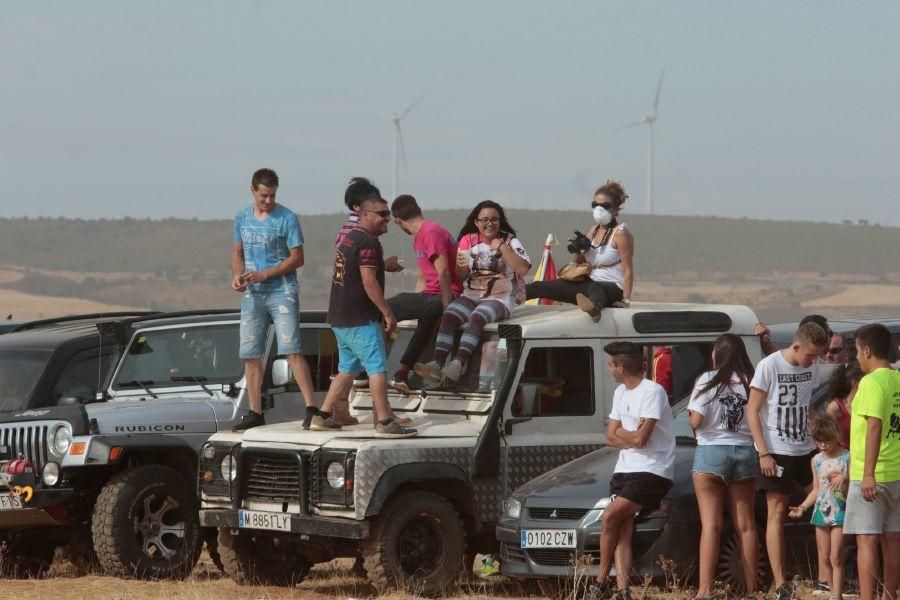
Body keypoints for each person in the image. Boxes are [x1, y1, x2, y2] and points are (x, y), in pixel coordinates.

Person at [308, 185, 417, 438]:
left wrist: (382, 265)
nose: (386, 218)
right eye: (381, 214)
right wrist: (387, 313)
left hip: (339, 316)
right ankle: (386, 422)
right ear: (364, 214)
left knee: (347, 369)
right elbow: (369, 282)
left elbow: (358, 272)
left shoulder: (350, 238)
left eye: (388, 214)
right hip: (359, 318)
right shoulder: (368, 240)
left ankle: (323, 416)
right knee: (377, 368)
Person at [586, 342, 675, 600]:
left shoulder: (653, 392)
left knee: (609, 518)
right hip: (624, 469)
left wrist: (625, 435)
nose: (610, 370)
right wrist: (629, 433)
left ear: (620, 366)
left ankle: (601, 581)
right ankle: (624, 589)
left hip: (651, 470)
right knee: (623, 527)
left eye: (611, 365)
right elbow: (610, 437)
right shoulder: (620, 393)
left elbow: (641, 441)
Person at [746, 321, 829, 600]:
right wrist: (763, 451)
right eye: (810, 355)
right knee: (776, 513)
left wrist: (820, 431)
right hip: (777, 448)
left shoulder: (811, 367)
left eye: (817, 356)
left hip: (806, 447)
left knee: (825, 504)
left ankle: (825, 576)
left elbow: (807, 403)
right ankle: (781, 583)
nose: (813, 360)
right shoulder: (769, 366)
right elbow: (753, 410)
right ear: (795, 346)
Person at [231, 168, 318, 431]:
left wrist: (266, 274)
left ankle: (312, 409)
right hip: (252, 293)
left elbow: (297, 257)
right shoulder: (242, 218)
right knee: (250, 353)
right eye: (263, 196)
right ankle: (255, 411)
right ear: (253, 191)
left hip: (282, 290)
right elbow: (238, 252)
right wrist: (237, 276)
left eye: (272, 196)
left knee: (291, 349)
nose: (268, 201)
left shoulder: (287, 218)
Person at [414, 200, 531, 383]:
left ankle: (458, 363)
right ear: (476, 222)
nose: (489, 224)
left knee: (477, 317)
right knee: (450, 314)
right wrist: (461, 266)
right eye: (484, 220)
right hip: (471, 295)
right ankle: (437, 364)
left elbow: (523, 269)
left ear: (500, 222)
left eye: (494, 219)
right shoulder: (468, 240)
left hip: (501, 298)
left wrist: (501, 247)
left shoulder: (510, 241)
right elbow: (461, 277)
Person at [687, 334, 758, 600]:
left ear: (718, 352)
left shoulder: (707, 379)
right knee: (747, 526)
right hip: (744, 451)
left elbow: (696, 421)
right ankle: (752, 590)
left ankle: (705, 590)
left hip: (711, 453)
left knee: (711, 525)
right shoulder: (751, 381)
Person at [843, 324, 900, 600]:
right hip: (896, 473)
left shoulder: (871, 382)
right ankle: (889, 596)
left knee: (866, 539)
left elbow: (875, 425)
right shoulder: (898, 379)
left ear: (867, 350)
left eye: (856, 352)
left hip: (872, 474)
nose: (856, 358)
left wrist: (867, 474)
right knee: (893, 540)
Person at [525, 181, 634, 321]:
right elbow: (578, 262)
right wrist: (578, 250)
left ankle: (594, 309)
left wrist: (626, 300)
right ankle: (516, 296)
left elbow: (628, 270)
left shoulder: (621, 233)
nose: (599, 209)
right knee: (542, 286)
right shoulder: (593, 230)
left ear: (616, 209)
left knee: (595, 289)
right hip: (588, 282)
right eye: (595, 205)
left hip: (612, 287)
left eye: (605, 206)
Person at [386, 195, 462, 393]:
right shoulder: (420, 236)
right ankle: (373, 368)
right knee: (385, 307)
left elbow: (444, 271)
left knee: (430, 313)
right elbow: (425, 275)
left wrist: (447, 306)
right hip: (429, 293)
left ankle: (402, 371)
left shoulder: (431, 232)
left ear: (397, 221)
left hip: (446, 294)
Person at [788, 417, 850, 600]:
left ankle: (837, 595)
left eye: (827, 440)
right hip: (821, 511)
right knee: (824, 557)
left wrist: (845, 479)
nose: (823, 445)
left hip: (840, 510)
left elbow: (855, 482)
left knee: (836, 556)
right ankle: (832, 593)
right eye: (818, 441)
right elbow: (816, 489)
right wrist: (803, 506)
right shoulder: (816, 460)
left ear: (836, 436)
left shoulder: (847, 457)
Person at [825, 360, 863, 450]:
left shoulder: (869, 404)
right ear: (855, 382)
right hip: (843, 459)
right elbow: (826, 437)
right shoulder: (835, 407)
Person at [755, 314, 832, 358]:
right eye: (830, 333)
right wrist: (766, 342)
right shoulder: (808, 361)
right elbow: (783, 360)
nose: (813, 360)